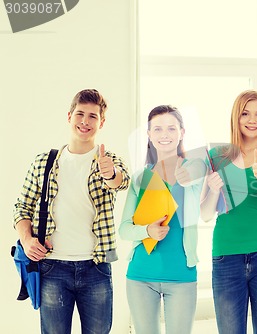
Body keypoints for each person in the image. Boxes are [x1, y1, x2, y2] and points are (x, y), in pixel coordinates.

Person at [13, 89, 130, 334]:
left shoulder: (108, 160)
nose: (85, 121)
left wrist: (109, 173)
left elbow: (121, 181)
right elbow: (22, 207)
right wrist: (26, 239)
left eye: (93, 116)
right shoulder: (44, 161)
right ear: (69, 117)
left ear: (102, 122)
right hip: (52, 267)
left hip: (96, 267)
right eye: (80, 114)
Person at [200, 90, 257, 334]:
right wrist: (213, 189)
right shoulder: (216, 156)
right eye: (245, 114)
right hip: (226, 255)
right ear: (236, 118)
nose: (252, 120)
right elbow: (206, 214)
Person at [119, 105, 206, 334]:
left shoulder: (193, 170)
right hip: (140, 276)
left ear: (182, 132)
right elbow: (125, 229)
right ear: (149, 135)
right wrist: (147, 231)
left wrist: (193, 173)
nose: (164, 135)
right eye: (157, 129)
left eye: (171, 128)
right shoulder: (140, 178)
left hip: (181, 276)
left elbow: (203, 167)